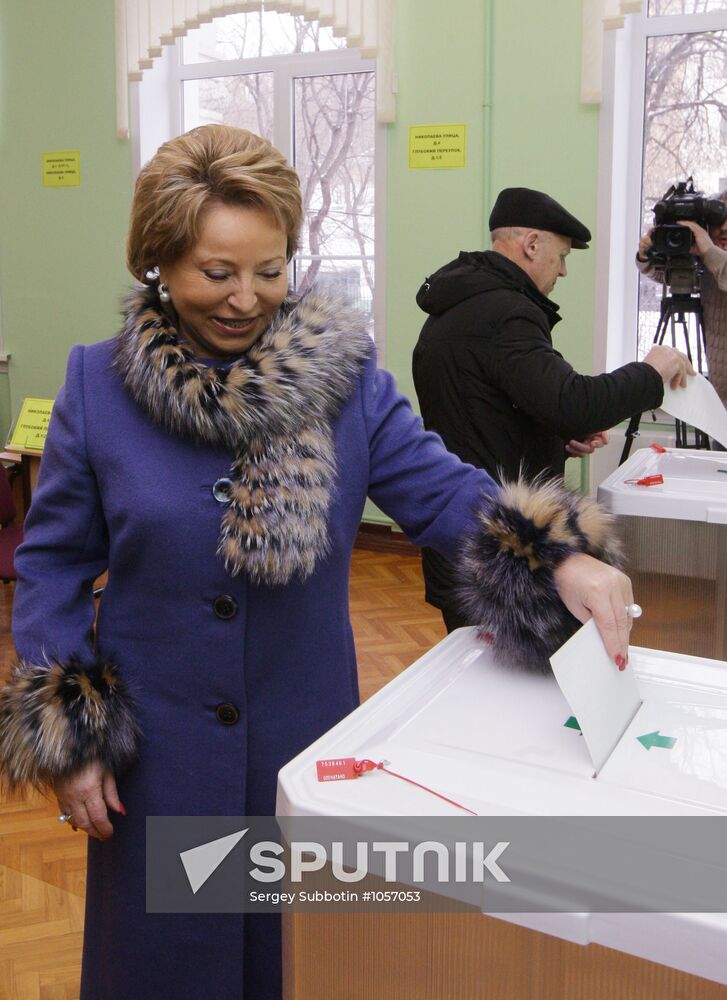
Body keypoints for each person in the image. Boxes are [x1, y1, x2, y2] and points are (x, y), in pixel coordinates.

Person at [0, 129, 635, 1000]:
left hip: (307, 738)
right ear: (157, 261)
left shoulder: (343, 381)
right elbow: (54, 565)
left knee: (298, 962)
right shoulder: (95, 388)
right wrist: (71, 731)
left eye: (269, 270)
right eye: (215, 273)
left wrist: (556, 556)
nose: (245, 299)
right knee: (167, 964)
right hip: (161, 752)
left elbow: (442, 493)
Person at [412, 186, 695, 633]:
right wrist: (652, 371)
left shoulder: (463, 304)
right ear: (531, 245)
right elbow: (575, 403)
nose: (562, 271)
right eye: (561, 256)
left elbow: (482, 416)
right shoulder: (505, 312)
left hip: (468, 534)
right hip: (500, 543)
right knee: (510, 685)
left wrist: (556, 440)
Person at [637, 194, 727, 447]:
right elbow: (674, 277)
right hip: (721, 403)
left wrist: (709, 250)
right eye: (719, 220)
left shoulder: (714, 258)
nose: (725, 228)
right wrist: (648, 255)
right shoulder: (711, 265)